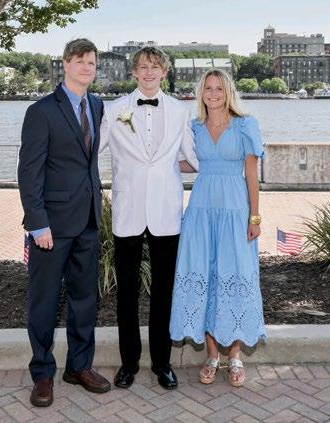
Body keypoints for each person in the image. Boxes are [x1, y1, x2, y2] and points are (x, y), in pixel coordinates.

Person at [18, 38, 110, 407]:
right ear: (66, 64)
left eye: (92, 63)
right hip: (51, 227)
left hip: (88, 220)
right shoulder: (41, 111)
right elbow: (29, 172)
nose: (87, 67)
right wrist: (38, 223)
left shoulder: (97, 105)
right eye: (80, 61)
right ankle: (42, 373)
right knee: (44, 302)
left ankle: (79, 366)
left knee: (85, 299)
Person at [99, 47, 198, 390]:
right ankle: (128, 363)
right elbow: (88, 151)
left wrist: (230, 156)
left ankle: (162, 363)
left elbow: (194, 157)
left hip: (166, 212)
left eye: (155, 67)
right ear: (134, 72)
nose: (149, 72)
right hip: (127, 210)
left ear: (164, 72)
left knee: (164, 291)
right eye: (143, 66)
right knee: (126, 292)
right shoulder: (114, 110)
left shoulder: (180, 111)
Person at [169, 68, 266, 387]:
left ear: (228, 93)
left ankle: (234, 355)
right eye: (208, 88)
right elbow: (190, 163)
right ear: (201, 93)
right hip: (200, 211)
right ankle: (212, 355)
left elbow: (251, 173)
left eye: (219, 88)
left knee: (234, 276)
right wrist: (154, 163)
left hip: (234, 211)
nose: (213, 93)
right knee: (206, 276)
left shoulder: (245, 125)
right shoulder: (194, 127)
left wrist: (255, 217)